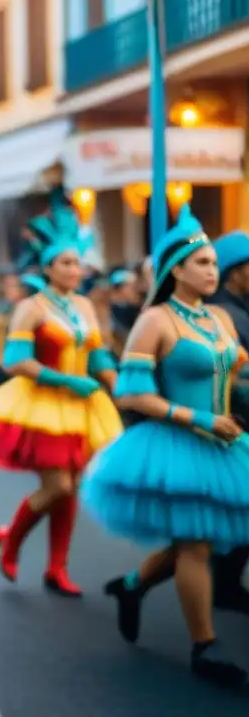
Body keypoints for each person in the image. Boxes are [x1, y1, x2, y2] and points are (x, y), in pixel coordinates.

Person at [81, 207, 249, 687]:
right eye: (202, 263)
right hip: (176, 446)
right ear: (176, 268)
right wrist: (199, 417)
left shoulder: (219, 319)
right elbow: (130, 394)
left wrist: (232, 396)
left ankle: (132, 588)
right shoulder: (154, 321)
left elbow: (234, 371)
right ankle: (205, 647)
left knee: (190, 542)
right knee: (195, 544)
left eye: (215, 263)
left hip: (224, 441)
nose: (212, 271)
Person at [0, 191, 122, 597]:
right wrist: (67, 381)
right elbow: (15, 361)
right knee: (59, 486)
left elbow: (99, 354)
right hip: (41, 405)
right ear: (48, 266)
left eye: (78, 262)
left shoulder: (85, 307)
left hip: (81, 408)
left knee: (70, 485)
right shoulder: (32, 308)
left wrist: (115, 382)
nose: (75, 270)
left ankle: (57, 567)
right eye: (66, 263)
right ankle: (12, 540)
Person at [207, 230, 249, 614]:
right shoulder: (226, 314)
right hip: (235, 424)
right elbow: (235, 379)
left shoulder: (239, 307)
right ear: (235, 272)